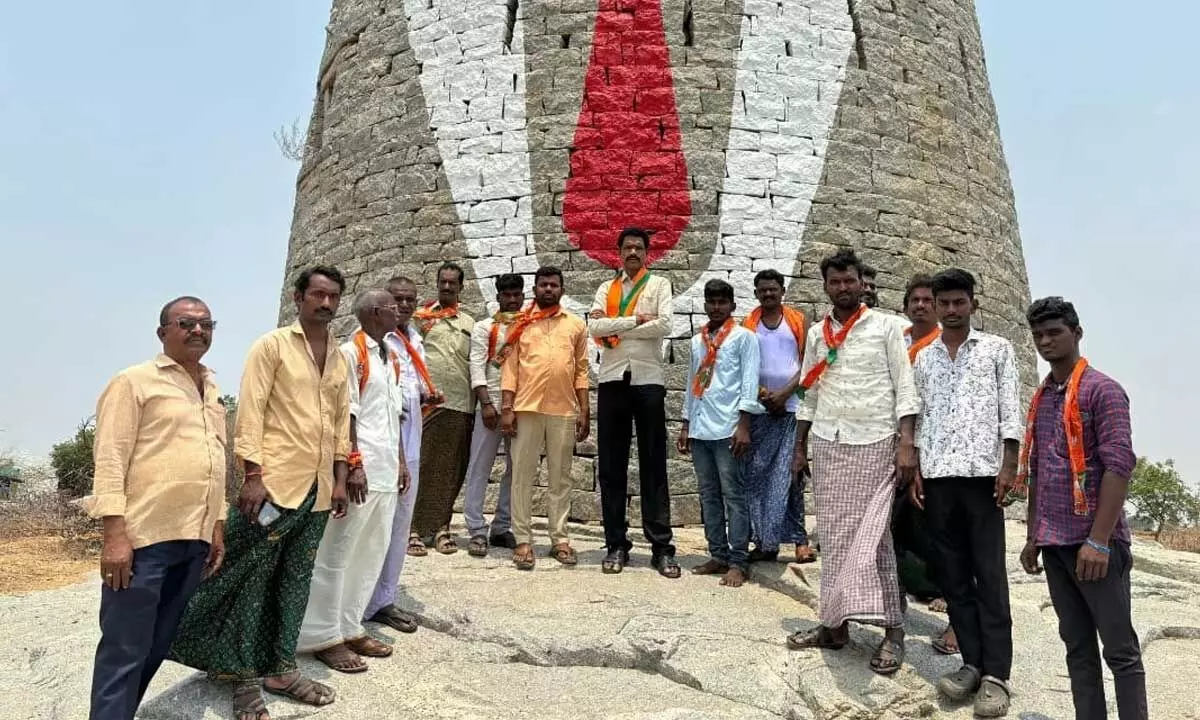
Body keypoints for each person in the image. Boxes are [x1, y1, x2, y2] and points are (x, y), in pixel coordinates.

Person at [169, 266, 351, 720]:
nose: (326, 303)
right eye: (318, 295)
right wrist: (253, 475)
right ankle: (241, 674)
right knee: (250, 573)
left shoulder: (339, 356)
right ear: (298, 298)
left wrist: (340, 478)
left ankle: (281, 669)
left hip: (317, 492)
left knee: (295, 578)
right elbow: (250, 411)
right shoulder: (271, 347)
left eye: (333, 296)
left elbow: (340, 421)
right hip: (273, 490)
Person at [83, 297, 228, 720]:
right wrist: (114, 536)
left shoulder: (212, 389)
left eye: (206, 324)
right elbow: (111, 458)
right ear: (163, 332)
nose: (198, 330)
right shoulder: (134, 382)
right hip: (144, 539)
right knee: (124, 647)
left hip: (194, 539)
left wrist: (217, 525)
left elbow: (215, 462)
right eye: (186, 323)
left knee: (157, 643)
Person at [786, 249, 919, 677]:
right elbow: (808, 394)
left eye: (850, 281)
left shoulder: (888, 326)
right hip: (829, 441)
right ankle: (834, 625)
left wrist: (906, 444)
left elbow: (905, 387)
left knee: (876, 538)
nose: (843, 288)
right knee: (834, 537)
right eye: (835, 282)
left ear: (862, 284)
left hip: (876, 441)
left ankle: (893, 631)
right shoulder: (817, 333)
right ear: (826, 286)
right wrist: (799, 446)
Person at [1017, 297, 1147, 720]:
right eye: (1038, 334)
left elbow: (1118, 465)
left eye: (1054, 332)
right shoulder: (1043, 398)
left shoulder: (1102, 390)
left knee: (1120, 651)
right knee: (1077, 648)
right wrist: (1033, 536)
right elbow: (1038, 469)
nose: (1045, 341)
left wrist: (1099, 540)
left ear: (1077, 333)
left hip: (1095, 544)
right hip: (1055, 542)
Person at [908, 269, 1021, 717]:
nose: (952, 310)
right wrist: (917, 468)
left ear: (973, 303)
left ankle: (997, 675)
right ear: (935, 307)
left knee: (989, 576)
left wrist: (1009, 464)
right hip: (938, 477)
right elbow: (919, 415)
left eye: (959, 302)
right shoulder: (924, 358)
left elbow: (1010, 410)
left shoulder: (997, 349)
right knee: (953, 576)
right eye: (944, 303)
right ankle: (971, 663)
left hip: (982, 478)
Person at [297, 289, 411, 673]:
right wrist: (353, 465)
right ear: (377, 312)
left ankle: (350, 626)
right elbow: (346, 414)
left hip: (386, 471)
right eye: (393, 306)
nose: (401, 310)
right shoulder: (350, 353)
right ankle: (322, 636)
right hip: (360, 471)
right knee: (337, 554)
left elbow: (392, 416)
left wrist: (400, 462)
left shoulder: (389, 356)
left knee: (370, 552)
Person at [588, 227, 678, 577]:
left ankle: (661, 547)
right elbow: (594, 328)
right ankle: (615, 544)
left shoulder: (659, 285)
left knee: (653, 463)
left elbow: (664, 324)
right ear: (619, 252)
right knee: (612, 466)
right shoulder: (606, 288)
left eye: (639, 247)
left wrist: (616, 327)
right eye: (627, 247)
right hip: (612, 379)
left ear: (647, 252)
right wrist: (636, 320)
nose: (633, 253)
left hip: (648, 379)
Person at [499, 266, 590, 570]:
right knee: (522, 475)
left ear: (562, 290)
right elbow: (510, 368)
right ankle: (523, 540)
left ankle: (559, 539)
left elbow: (581, 369)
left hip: (563, 409)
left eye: (553, 285)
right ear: (535, 289)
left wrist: (585, 408)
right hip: (526, 407)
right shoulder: (520, 324)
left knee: (560, 477)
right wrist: (507, 408)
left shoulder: (575, 325)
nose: (548, 289)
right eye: (543, 285)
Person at [677, 279, 759, 588]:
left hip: (728, 428)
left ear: (732, 305)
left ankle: (738, 561)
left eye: (722, 302)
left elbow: (749, 382)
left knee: (733, 495)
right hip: (701, 429)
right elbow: (692, 383)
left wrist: (744, 425)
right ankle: (718, 554)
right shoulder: (697, 341)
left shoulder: (744, 338)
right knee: (708, 495)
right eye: (711, 301)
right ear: (705, 305)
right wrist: (686, 423)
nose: (716, 307)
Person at [892, 274, 957, 655]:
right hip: (894, 447)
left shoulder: (945, 347)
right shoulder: (898, 341)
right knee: (894, 529)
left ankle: (958, 617)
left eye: (927, 300)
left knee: (942, 535)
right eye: (914, 300)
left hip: (931, 452)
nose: (920, 305)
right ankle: (896, 595)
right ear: (905, 306)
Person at [363, 275, 430, 634]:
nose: (403, 306)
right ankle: (357, 601)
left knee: (400, 524)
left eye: (409, 300)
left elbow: (412, 392)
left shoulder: (415, 340)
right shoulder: (372, 341)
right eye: (397, 299)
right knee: (371, 524)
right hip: (379, 446)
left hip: (410, 443)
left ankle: (383, 600)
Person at [738, 269, 814, 565]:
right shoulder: (748, 324)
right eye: (763, 290)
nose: (768, 294)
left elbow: (809, 363)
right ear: (756, 293)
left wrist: (783, 395)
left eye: (773, 289)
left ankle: (800, 541)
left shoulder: (798, 321)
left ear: (783, 291)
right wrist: (764, 395)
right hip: (760, 409)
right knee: (758, 477)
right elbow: (744, 366)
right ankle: (766, 542)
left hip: (792, 408)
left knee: (792, 475)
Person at [409, 261, 474, 555]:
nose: (447, 287)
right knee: (421, 464)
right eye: (443, 282)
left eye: (452, 283)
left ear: (461, 287)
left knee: (451, 469)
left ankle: (441, 528)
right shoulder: (421, 319)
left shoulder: (469, 324)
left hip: (460, 404)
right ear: (437, 284)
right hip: (427, 404)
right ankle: (412, 529)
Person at [463, 274, 524, 557]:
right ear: (498, 297)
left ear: (522, 296)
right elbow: (477, 366)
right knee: (480, 466)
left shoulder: (529, 327)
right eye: (506, 295)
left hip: (521, 407)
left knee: (515, 469)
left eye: (516, 294)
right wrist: (486, 403)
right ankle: (476, 528)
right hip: (490, 407)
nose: (512, 299)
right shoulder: (484, 328)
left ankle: (502, 526)